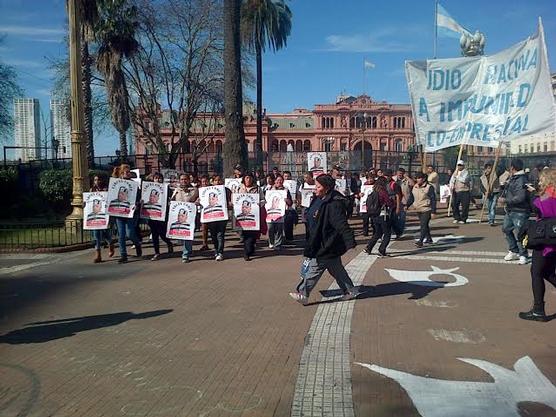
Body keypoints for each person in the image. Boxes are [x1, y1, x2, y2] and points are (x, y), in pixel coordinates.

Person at [289, 174, 358, 305]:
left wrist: (350, 241)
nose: (315, 188)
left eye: (318, 186)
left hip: (327, 243)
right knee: (336, 269)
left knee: (315, 268)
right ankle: (349, 290)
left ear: (326, 188)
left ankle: (303, 293)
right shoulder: (319, 198)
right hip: (318, 240)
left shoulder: (334, 203)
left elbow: (341, 224)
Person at [519, 169, 556, 322]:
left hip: (544, 238)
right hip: (554, 238)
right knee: (547, 271)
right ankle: (538, 309)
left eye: (541, 179)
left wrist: (531, 194)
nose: (539, 181)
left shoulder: (548, 194)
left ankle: (538, 310)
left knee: (536, 272)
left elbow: (538, 206)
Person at [501, 159, 531, 265]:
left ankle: (523, 254)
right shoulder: (513, 178)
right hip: (511, 209)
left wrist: (506, 200)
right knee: (506, 229)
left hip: (520, 210)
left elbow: (520, 197)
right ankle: (514, 250)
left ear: (512, 167)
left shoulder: (521, 179)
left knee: (520, 233)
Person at [113, 164, 142, 264]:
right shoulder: (116, 183)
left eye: (129, 172)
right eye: (127, 172)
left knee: (130, 233)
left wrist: (137, 204)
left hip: (131, 212)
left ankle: (137, 243)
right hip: (119, 213)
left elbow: (138, 197)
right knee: (121, 235)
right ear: (121, 173)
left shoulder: (134, 184)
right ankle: (123, 254)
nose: (129, 173)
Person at [364, 177, 395, 256]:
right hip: (382, 214)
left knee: (378, 232)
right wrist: (392, 202)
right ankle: (382, 249)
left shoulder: (374, 191)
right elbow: (389, 203)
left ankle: (368, 247)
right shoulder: (383, 192)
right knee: (387, 233)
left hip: (374, 215)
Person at [171, 173, 199, 263]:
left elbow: (199, 199)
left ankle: (185, 254)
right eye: (182, 179)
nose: (183, 181)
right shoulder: (177, 190)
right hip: (179, 217)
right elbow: (172, 201)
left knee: (187, 234)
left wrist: (197, 202)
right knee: (182, 237)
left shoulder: (194, 190)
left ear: (189, 180)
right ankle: (189, 250)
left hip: (190, 216)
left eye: (185, 179)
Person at [146, 172, 173, 261]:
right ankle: (156, 252)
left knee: (162, 233)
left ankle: (169, 243)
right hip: (151, 215)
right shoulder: (148, 188)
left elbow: (171, 196)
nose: (158, 180)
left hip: (162, 215)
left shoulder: (166, 188)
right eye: (156, 178)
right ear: (153, 179)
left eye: (160, 178)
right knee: (154, 234)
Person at [238, 172, 264, 261]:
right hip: (243, 217)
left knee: (253, 235)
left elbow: (263, 199)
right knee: (245, 235)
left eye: (249, 178)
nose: (248, 180)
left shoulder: (257, 188)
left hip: (254, 215)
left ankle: (251, 248)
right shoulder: (239, 188)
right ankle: (246, 253)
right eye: (246, 178)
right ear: (244, 179)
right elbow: (234, 199)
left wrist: (259, 203)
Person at [407, 172, 437, 247]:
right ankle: (429, 239)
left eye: (419, 178)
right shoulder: (415, 187)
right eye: (416, 178)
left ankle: (420, 241)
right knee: (425, 225)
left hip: (426, 209)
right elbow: (411, 197)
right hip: (418, 209)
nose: (417, 180)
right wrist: (407, 205)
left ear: (423, 179)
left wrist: (433, 211)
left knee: (423, 225)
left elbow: (433, 199)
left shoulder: (429, 187)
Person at [89, 175, 114, 263]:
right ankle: (98, 254)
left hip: (105, 215)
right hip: (95, 216)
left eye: (99, 179)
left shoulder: (106, 190)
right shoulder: (92, 190)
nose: (97, 181)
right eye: (95, 180)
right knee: (96, 235)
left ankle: (111, 243)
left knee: (105, 233)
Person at [206, 175, 231, 261]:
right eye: (215, 180)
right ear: (212, 182)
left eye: (219, 180)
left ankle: (220, 252)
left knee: (220, 235)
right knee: (213, 235)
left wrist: (230, 203)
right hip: (210, 217)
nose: (217, 182)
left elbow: (231, 200)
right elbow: (200, 199)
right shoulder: (207, 191)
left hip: (222, 216)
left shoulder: (226, 190)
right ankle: (216, 250)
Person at [267, 174, 293, 250]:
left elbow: (290, 203)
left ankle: (278, 244)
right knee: (270, 228)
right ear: (274, 181)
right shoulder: (269, 190)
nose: (279, 182)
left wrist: (287, 200)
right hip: (270, 212)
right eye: (278, 180)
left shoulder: (286, 191)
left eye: (281, 180)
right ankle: (271, 242)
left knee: (279, 229)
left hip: (281, 212)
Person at [449, 160, 471, 224]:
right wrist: (451, 186)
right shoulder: (455, 173)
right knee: (454, 204)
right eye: (458, 165)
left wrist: (457, 176)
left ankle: (463, 218)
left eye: (461, 165)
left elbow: (464, 180)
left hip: (464, 191)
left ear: (463, 166)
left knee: (465, 206)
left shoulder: (466, 172)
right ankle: (456, 217)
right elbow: (452, 180)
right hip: (456, 191)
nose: (459, 166)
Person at [393, 168, 412, 238]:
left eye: (401, 173)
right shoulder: (393, 179)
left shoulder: (406, 180)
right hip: (394, 201)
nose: (400, 175)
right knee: (394, 217)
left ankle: (399, 232)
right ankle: (395, 231)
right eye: (399, 173)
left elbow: (412, 184)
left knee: (402, 218)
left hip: (403, 201)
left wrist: (407, 177)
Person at [298, 172, 316, 240]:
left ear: (311, 177)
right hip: (305, 206)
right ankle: (308, 237)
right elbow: (299, 194)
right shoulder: (303, 185)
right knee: (306, 222)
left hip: (314, 206)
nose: (305, 179)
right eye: (304, 177)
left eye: (307, 177)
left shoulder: (316, 184)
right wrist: (299, 202)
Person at [282, 171, 297, 241]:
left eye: (288, 176)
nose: (287, 178)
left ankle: (289, 239)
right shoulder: (276, 187)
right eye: (285, 176)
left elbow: (298, 193)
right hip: (281, 209)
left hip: (290, 208)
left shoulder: (294, 184)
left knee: (289, 224)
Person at [198, 175, 210, 251]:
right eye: (203, 182)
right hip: (203, 211)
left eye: (206, 181)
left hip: (212, 212)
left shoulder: (213, 189)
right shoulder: (199, 190)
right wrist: (197, 200)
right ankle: (204, 244)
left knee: (213, 230)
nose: (204, 183)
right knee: (204, 229)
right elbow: (193, 198)